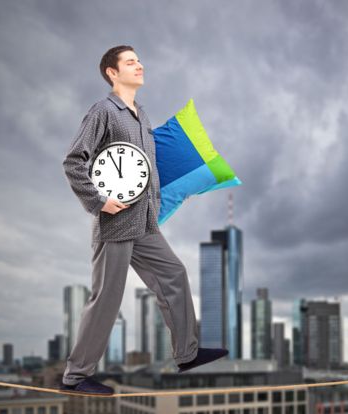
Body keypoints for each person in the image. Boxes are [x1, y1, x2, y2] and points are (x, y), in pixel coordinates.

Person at [59, 45, 228, 396]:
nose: (140, 65)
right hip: (116, 223)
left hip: (145, 223)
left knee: (174, 275)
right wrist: (98, 202)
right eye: (131, 62)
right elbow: (74, 161)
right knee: (107, 297)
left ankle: (187, 354)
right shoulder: (103, 112)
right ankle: (76, 376)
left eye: (139, 60)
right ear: (112, 72)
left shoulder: (143, 116)